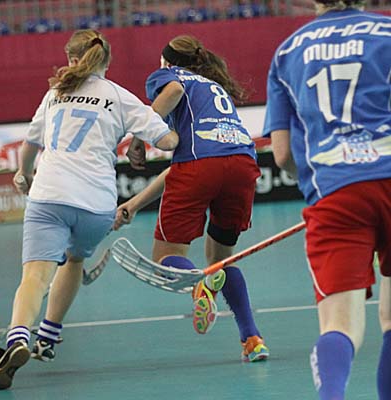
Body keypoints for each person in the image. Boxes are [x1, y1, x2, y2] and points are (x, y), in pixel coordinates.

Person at [0, 29, 179, 391]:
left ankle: (18, 338)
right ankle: (48, 337)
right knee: (74, 260)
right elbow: (168, 141)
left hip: (50, 196)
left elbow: (30, 146)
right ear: (107, 63)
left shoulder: (54, 94)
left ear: (73, 60)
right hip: (98, 205)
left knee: (35, 277)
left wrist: (23, 175)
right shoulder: (118, 96)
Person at [263, 0, 391, 398]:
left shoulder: (286, 52)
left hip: (335, 192)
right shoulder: (387, 33)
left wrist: (317, 182)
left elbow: (282, 155)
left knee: (340, 326)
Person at [113, 35, 269, 362]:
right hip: (242, 165)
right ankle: (252, 339)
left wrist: (140, 137)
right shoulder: (213, 87)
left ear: (167, 61)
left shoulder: (170, 77)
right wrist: (134, 204)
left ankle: (200, 285)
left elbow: (172, 92)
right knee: (222, 260)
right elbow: (187, 166)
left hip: (201, 166)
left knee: (166, 257)